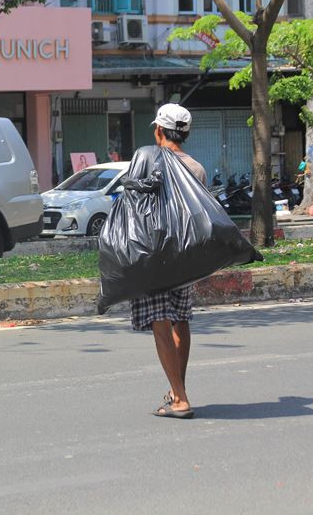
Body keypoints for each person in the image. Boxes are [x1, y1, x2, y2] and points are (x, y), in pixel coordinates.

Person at [135, 103, 206, 420]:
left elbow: (135, 208)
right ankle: (178, 388)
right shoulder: (196, 168)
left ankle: (180, 399)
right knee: (181, 320)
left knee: (160, 323)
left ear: (160, 131)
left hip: (155, 255)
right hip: (185, 257)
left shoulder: (149, 161)